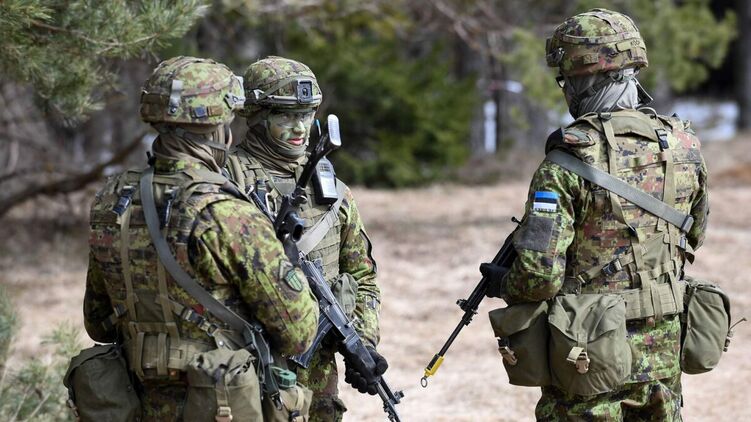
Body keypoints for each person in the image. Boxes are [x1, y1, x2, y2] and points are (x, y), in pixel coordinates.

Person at [481, 9, 709, 421]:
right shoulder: (684, 146)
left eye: (565, 80)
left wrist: (504, 282)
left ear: (583, 77)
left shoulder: (567, 161)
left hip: (586, 356)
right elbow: (693, 236)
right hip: (663, 351)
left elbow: (539, 277)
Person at [83, 56, 319, 420]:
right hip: (218, 405)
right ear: (218, 127)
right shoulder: (228, 214)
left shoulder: (112, 200)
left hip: (137, 403)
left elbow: (98, 322)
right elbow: (298, 333)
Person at [226, 56, 383, 421]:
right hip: (246, 371)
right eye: (285, 116)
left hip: (317, 380)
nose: (300, 127)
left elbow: (362, 275)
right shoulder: (226, 182)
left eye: (307, 114)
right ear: (256, 115)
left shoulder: (330, 188)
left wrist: (363, 341)